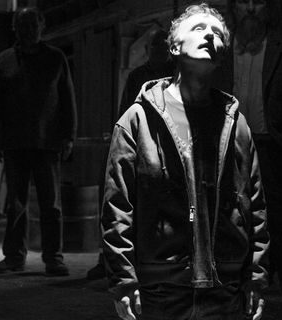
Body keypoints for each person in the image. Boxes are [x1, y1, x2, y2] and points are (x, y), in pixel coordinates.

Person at [101, 3, 269, 319]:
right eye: (199, 28)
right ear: (175, 46)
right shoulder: (137, 120)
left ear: (222, 53)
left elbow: (255, 206)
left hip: (225, 287)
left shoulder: (236, 124)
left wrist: (256, 277)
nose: (210, 36)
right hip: (162, 288)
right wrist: (123, 279)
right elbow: (117, 206)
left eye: (217, 33)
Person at [213, 1, 282, 319]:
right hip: (228, 153)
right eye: (243, 2)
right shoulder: (219, 48)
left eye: (258, 1)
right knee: (228, 232)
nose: (250, 9)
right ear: (233, 8)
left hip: (270, 152)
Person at [0, 7, 77, 276]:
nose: (28, 29)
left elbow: (67, 100)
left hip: (47, 143)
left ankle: (54, 258)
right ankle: (14, 256)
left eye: (32, 24)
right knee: (15, 204)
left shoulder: (55, 58)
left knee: (51, 204)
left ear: (42, 27)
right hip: (14, 143)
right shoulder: (4, 60)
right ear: (15, 28)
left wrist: (68, 136)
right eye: (22, 24)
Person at [87, 28, 174, 281]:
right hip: (142, 145)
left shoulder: (175, 75)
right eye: (155, 47)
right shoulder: (138, 76)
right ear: (148, 50)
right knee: (121, 202)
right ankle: (111, 259)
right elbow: (127, 110)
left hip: (168, 147)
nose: (160, 51)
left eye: (163, 46)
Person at [118, 28, 174, 118]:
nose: (159, 49)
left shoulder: (176, 73)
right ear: (146, 48)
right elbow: (126, 110)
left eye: (163, 45)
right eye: (155, 45)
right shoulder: (136, 76)